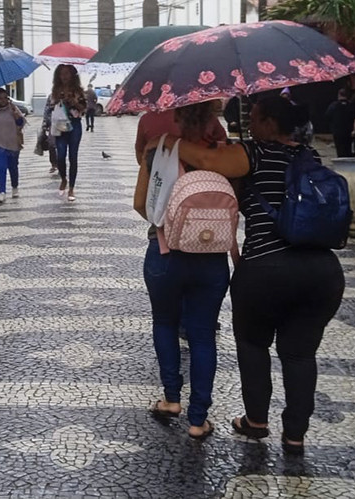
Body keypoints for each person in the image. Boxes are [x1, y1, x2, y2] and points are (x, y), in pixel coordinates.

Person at [151, 96, 345, 454]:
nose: (250, 123)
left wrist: (169, 143)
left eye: (255, 118)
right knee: (300, 355)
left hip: (267, 266)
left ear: (271, 124)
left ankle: (256, 420)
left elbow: (208, 160)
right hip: (322, 271)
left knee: (254, 345)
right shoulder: (309, 157)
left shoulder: (253, 153)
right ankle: (295, 435)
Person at [133, 101, 230, 440]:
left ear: (175, 116)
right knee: (203, 335)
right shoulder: (223, 153)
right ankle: (198, 418)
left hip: (164, 252)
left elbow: (140, 202)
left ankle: (171, 398)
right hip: (212, 257)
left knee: (164, 322)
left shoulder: (155, 149)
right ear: (211, 120)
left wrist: (169, 222)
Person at [44, 64, 86, 202]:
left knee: (73, 156)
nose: (64, 76)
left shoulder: (78, 91)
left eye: (67, 73)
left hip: (74, 125)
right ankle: (63, 178)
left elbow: (83, 109)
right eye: (62, 74)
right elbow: (50, 107)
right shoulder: (56, 90)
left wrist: (74, 101)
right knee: (60, 155)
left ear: (72, 75)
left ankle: (72, 188)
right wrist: (57, 101)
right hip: (60, 126)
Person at [0, 87, 25, 204]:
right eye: (0, 98)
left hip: (12, 143)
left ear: (8, 98)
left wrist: (16, 114)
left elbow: (21, 124)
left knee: (13, 167)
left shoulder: (14, 110)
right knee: (0, 167)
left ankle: (15, 187)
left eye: (5, 98)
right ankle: (1, 192)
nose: (3, 100)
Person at [325, 88, 355, 157]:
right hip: (349, 131)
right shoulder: (351, 105)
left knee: (340, 149)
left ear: (339, 95)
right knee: (348, 149)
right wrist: (354, 130)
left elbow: (328, 116)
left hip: (337, 131)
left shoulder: (333, 105)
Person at [41, 93, 58, 174]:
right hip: (52, 123)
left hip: (64, 124)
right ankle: (54, 164)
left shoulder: (66, 95)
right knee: (51, 144)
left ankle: (61, 164)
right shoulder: (51, 96)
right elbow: (46, 109)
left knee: (61, 146)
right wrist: (44, 123)